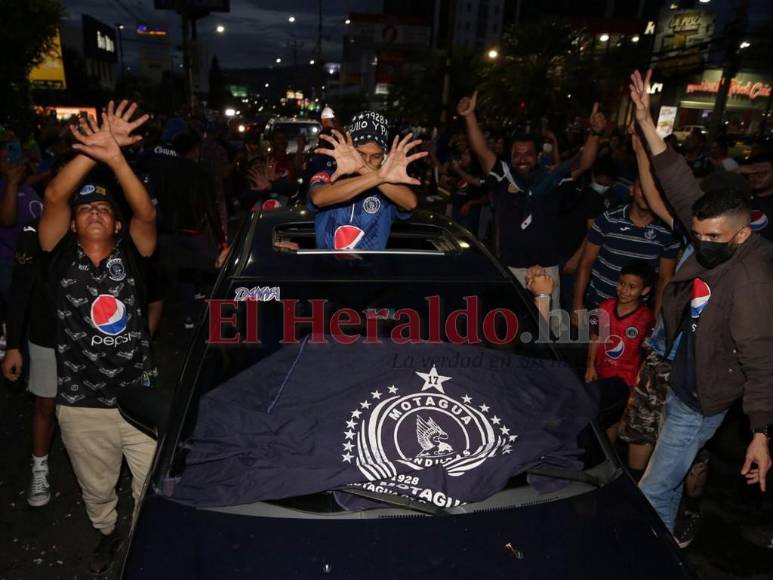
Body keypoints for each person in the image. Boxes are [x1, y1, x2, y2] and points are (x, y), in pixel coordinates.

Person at [630, 69, 773, 539]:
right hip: (682, 377)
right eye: (698, 235)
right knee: (665, 485)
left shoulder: (751, 279)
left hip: (701, 399)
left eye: (713, 238)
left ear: (742, 234)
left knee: (652, 488)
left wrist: (760, 433)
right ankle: (670, 542)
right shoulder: (713, 230)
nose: (701, 244)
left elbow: (760, 356)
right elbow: (676, 179)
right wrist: (647, 123)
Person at [38, 101, 158, 575]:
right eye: (84, 207)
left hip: (140, 399)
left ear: (116, 224)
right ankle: (109, 536)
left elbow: (145, 210)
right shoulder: (58, 256)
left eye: (103, 208)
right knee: (96, 488)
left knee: (151, 485)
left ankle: (147, 539)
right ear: (72, 223)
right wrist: (92, 151)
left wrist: (117, 158)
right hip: (81, 402)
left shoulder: (135, 254)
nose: (92, 212)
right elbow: (52, 196)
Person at [456, 90, 606, 331]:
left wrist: (595, 133)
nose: (522, 159)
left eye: (528, 154)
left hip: (546, 271)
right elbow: (482, 151)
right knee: (508, 329)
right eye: (517, 154)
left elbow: (583, 162)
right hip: (511, 268)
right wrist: (469, 116)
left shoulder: (552, 178)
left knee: (547, 332)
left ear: (539, 155)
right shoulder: (503, 176)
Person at [308, 111, 425, 250]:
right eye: (361, 154)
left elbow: (410, 202)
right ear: (350, 149)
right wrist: (378, 175)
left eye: (375, 156)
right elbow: (319, 197)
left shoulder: (388, 185)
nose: (367, 161)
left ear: (384, 157)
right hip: (327, 269)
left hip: (372, 270)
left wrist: (367, 170)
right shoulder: (327, 175)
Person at [1, 219, 57, 507]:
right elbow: (19, 291)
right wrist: (12, 346)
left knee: (89, 411)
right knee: (45, 405)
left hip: (88, 339)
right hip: (45, 336)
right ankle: (39, 468)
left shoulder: (90, 221)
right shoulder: (33, 233)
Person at [572, 176, 679, 324]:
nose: (647, 193)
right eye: (643, 187)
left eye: (654, 190)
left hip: (636, 314)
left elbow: (664, 279)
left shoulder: (668, 231)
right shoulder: (609, 219)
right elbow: (586, 263)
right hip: (597, 305)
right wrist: (577, 304)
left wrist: (655, 320)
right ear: (632, 189)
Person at [585, 259, 655, 389]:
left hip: (626, 382)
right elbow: (594, 338)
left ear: (645, 290)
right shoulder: (604, 308)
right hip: (600, 374)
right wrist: (590, 367)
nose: (624, 290)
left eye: (632, 287)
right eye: (621, 283)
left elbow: (648, 352)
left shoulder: (646, 318)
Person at [737, 152, 773, 243]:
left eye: (762, 173)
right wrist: (736, 170)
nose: (756, 177)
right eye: (752, 172)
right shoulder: (741, 198)